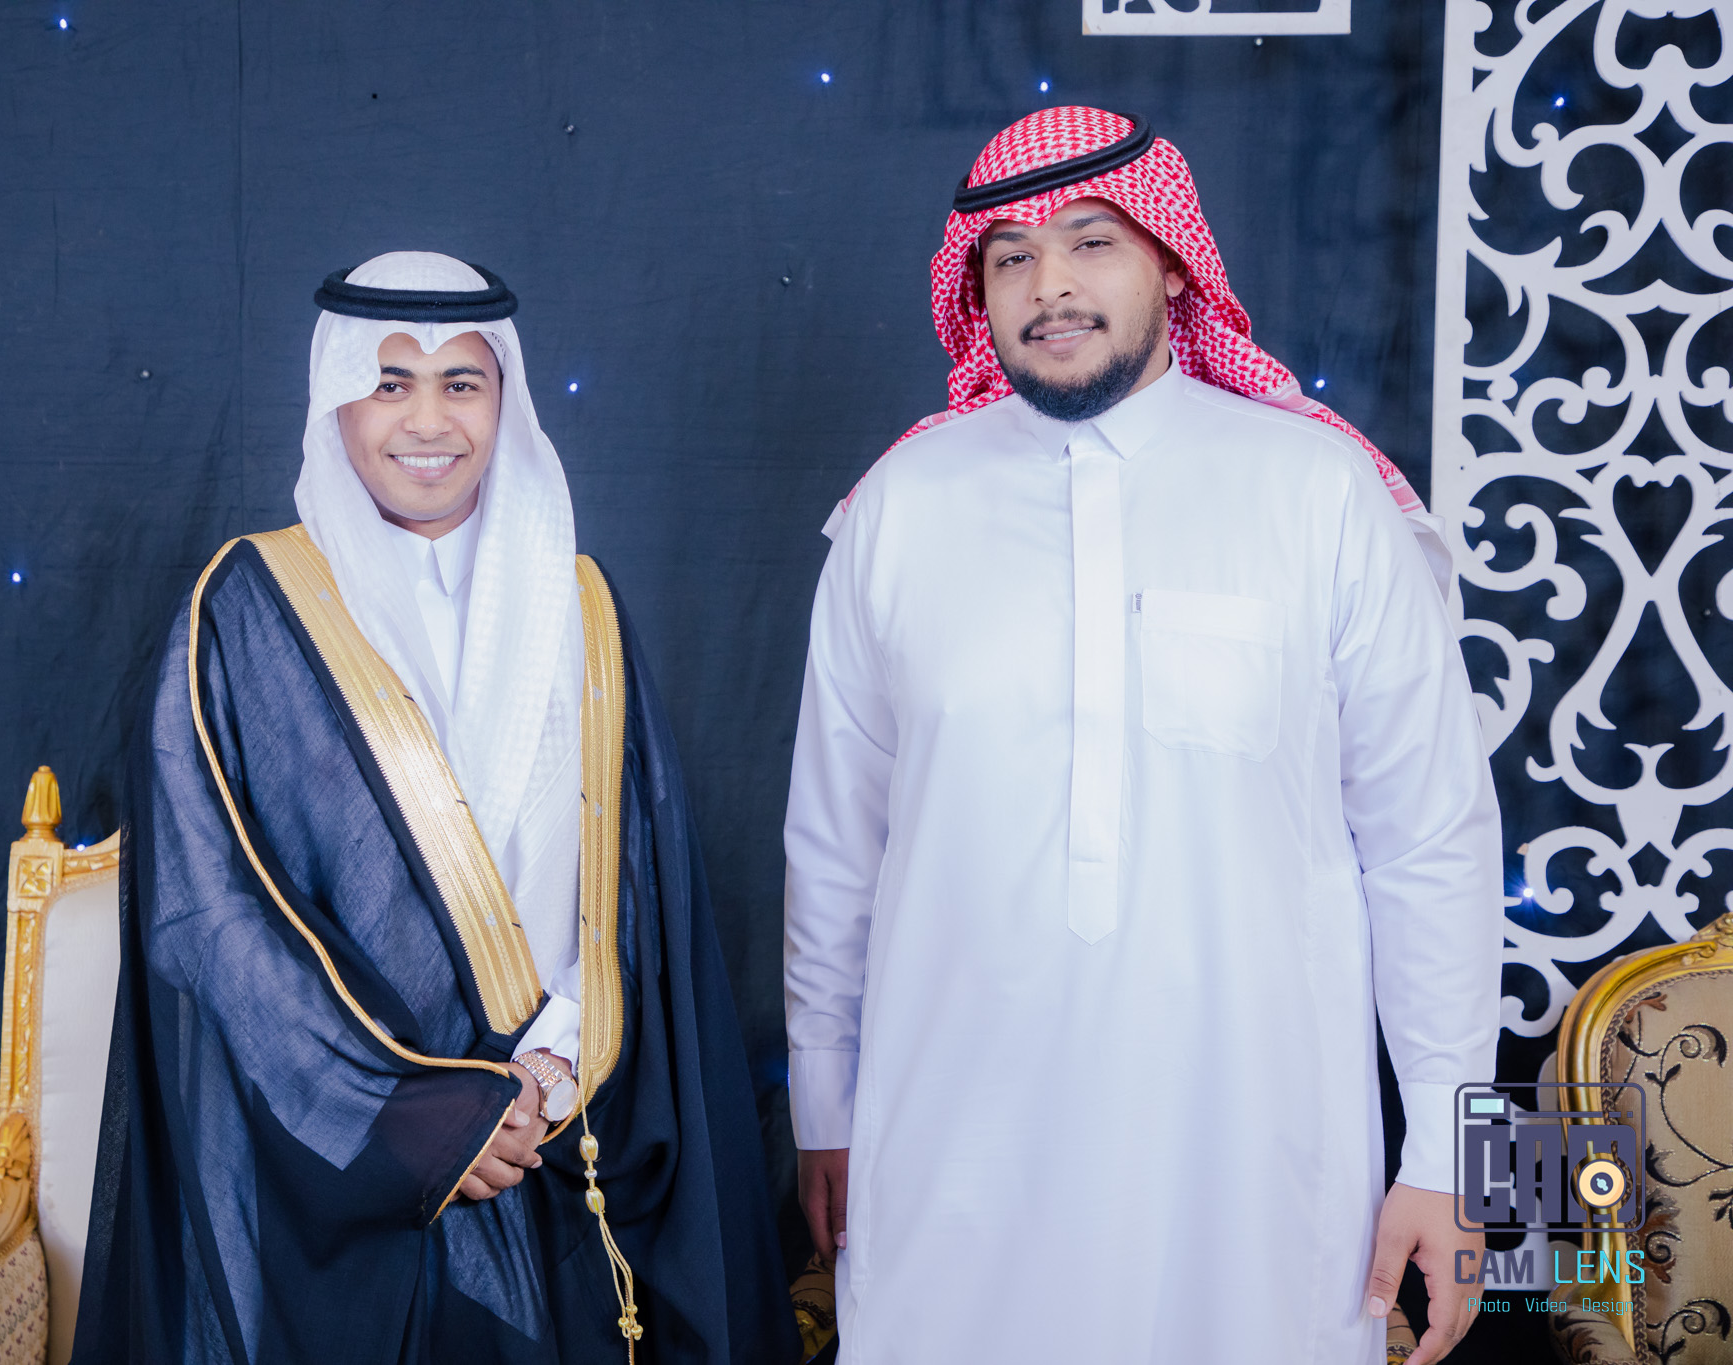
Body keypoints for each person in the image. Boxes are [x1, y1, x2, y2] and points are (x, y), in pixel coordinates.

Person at [783, 108, 1501, 1365]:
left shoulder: (1317, 493)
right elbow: (834, 849)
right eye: (1010, 256)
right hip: (954, 1153)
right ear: (975, 290)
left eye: (1089, 242)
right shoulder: (898, 509)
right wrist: (821, 1108)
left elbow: (1428, 843)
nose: (1048, 285)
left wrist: (1447, 1156)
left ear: (1170, 262)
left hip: (1255, 1158)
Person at [75, 252, 796, 1365]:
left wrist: (553, 1064)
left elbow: (639, 893)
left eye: (461, 382)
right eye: (389, 382)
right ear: (336, 401)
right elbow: (208, 914)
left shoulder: (582, 606)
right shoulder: (246, 607)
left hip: (565, 1131)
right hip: (342, 1164)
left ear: (504, 400)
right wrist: (414, 1121)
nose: (427, 419)